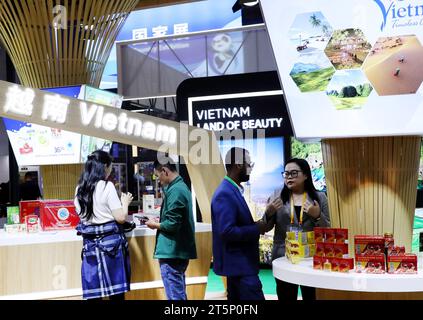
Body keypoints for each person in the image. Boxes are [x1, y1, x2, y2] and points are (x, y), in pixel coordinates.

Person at [261, 158, 330, 301]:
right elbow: (265, 227)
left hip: (311, 259)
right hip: (283, 256)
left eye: (293, 173)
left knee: (311, 296)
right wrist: (268, 213)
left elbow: (328, 231)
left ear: (305, 175)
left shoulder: (320, 197)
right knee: (286, 297)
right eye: (286, 174)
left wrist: (317, 216)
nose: (289, 177)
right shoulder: (277, 196)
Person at [211, 147, 275, 300]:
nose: (251, 168)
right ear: (239, 164)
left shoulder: (231, 190)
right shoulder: (225, 193)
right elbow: (227, 232)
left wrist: (262, 221)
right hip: (240, 267)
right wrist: (256, 228)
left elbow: (237, 225)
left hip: (239, 267)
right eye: (249, 164)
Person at [74, 150, 133, 300]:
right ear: (104, 166)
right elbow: (120, 218)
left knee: (94, 294)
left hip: (90, 246)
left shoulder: (79, 189)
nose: (110, 170)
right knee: (116, 294)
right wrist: (125, 203)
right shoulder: (107, 186)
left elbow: (81, 216)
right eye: (110, 167)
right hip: (111, 246)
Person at [146, 158, 197, 300]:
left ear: (164, 171)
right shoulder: (179, 187)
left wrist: (154, 224)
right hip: (176, 251)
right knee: (178, 293)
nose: (158, 180)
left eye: (158, 175)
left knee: (175, 297)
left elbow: (172, 224)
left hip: (172, 253)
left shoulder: (176, 190)